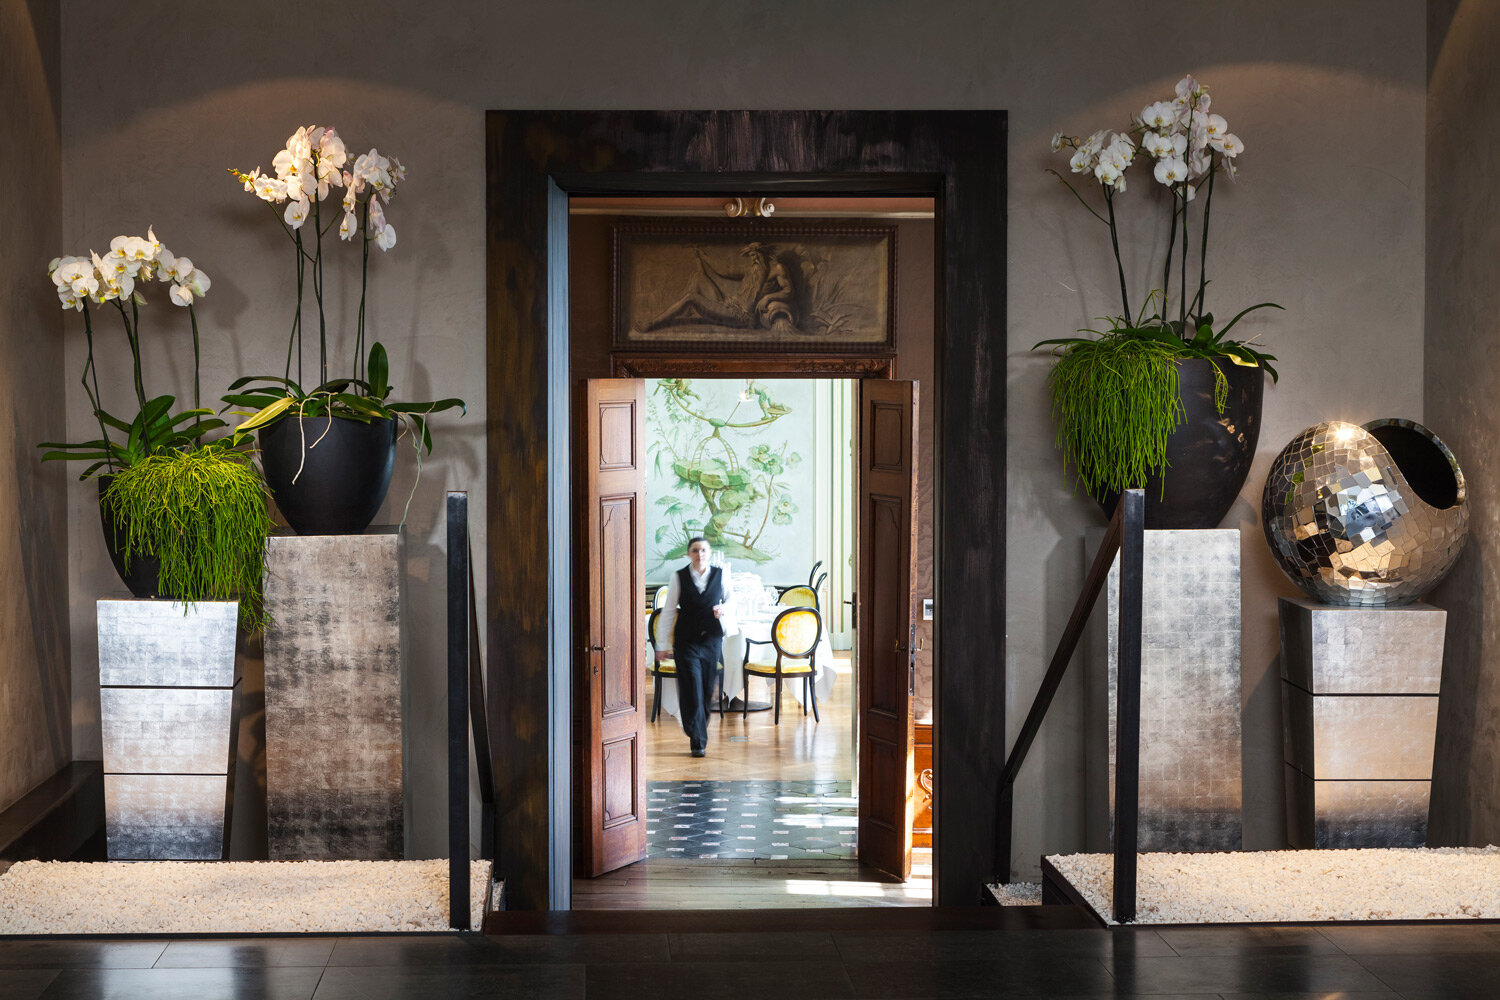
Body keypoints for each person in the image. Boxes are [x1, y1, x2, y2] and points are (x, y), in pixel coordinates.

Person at [656, 537, 735, 757]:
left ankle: (695, 726)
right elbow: (669, 610)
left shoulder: (721, 574)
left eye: (703, 550)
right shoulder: (678, 577)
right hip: (686, 641)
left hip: (711, 640)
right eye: (695, 550)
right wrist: (661, 644)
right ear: (689, 553)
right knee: (692, 685)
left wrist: (723, 609)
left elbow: (731, 601)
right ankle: (698, 740)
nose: (699, 554)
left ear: (709, 553)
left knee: (707, 688)